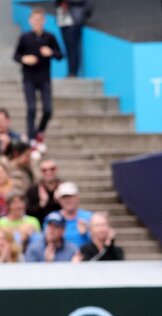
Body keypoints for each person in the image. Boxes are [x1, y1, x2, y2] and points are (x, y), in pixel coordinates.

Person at [13, 7, 64, 144]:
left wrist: (51, 52)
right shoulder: (25, 37)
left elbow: (60, 55)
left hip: (44, 78)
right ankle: (31, 139)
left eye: (40, 20)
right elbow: (16, 56)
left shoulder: (49, 37)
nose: (37, 22)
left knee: (48, 109)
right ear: (30, 21)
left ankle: (38, 132)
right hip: (29, 77)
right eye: (35, 20)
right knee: (31, 108)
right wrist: (24, 59)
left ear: (44, 21)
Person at [55, 0, 92, 78]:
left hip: (74, 18)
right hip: (62, 18)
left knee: (73, 47)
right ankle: (70, 71)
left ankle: (73, 72)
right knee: (67, 47)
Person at [55, 181, 92, 248]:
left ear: (77, 198)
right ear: (59, 200)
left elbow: (99, 243)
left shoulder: (89, 217)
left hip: (85, 256)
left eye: (71, 197)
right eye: (64, 197)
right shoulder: (53, 219)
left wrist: (87, 233)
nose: (68, 200)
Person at [25, 158, 62, 223]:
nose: (49, 172)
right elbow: (28, 214)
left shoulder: (64, 187)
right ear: (40, 172)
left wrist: (60, 201)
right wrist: (41, 204)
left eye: (52, 169)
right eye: (44, 170)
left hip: (61, 226)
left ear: (57, 169)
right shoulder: (33, 190)